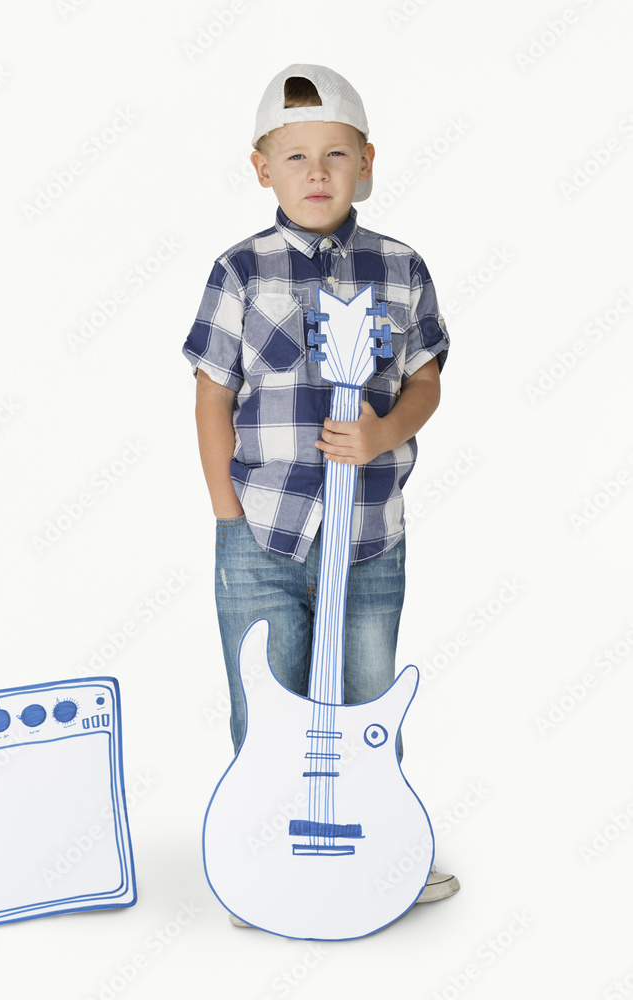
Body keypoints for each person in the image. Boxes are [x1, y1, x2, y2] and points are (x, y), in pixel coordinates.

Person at [182, 64, 459, 907]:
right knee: (264, 715)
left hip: (371, 534)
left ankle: (384, 857)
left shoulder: (402, 268)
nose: (316, 172)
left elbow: (425, 380)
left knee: (371, 707)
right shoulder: (239, 271)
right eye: (295, 155)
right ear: (261, 167)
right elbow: (211, 397)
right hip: (260, 533)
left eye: (335, 155)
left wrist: (381, 432)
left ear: (366, 161)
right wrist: (229, 516)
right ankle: (258, 870)